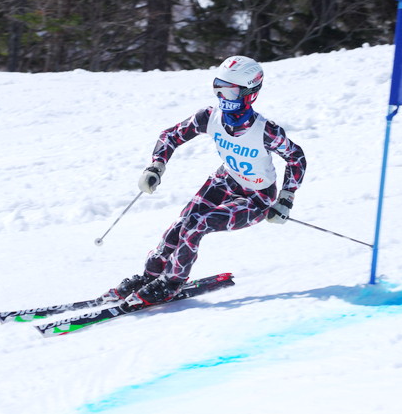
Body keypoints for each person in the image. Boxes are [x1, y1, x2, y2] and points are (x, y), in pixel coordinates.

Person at [105, 55, 306, 306]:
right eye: (218, 88)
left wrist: (285, 199)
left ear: (250, 93)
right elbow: (170, 136)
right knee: (181, 225)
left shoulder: (265, 130)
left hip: (256, 198)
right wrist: (156, 165)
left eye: (230, 92)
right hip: (225, 180)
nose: (223, 98)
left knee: (197, 224)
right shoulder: (210, 117)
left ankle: (171, 284)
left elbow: (296, 157)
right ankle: (150, 276)